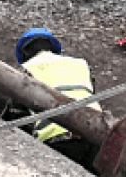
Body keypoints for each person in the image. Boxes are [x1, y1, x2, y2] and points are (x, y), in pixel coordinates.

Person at [13, 25, 95, 153]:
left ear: (25, 53)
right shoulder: (81, 64)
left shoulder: (26, 70)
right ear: (52, 47)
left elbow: (15, 114)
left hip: (54, 138)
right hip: (95, 133)